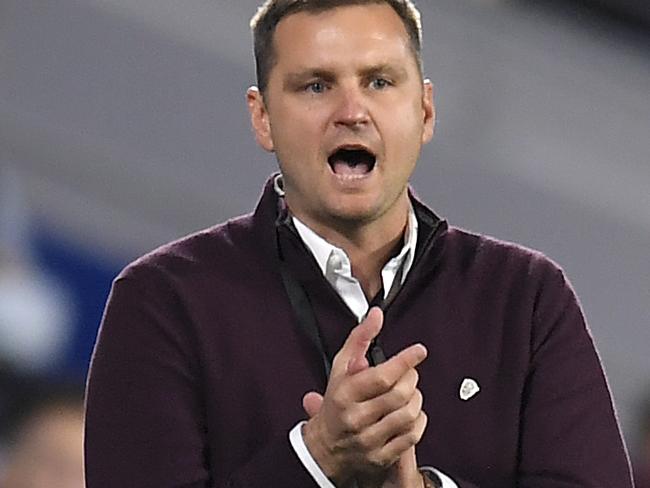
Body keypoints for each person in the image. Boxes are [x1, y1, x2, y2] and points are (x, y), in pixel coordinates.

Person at [84, 1, 634, 487]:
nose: (351, 110)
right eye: (316, 85)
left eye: (379, 81)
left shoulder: (526, 298)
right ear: (263, 117)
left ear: (424, 111)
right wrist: (315, 458)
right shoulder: (163, 301)